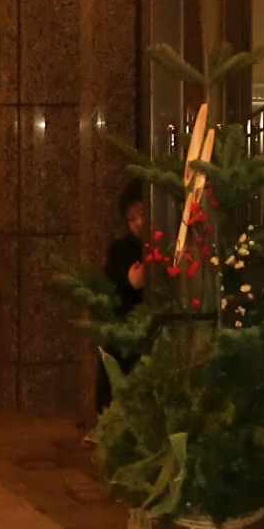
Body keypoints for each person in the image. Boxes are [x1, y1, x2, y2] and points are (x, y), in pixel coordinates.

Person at [95, 178, 146, 416]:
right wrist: (130, 282)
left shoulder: (170, 244)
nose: (138, 223)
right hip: (126, 335)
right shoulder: (120, 250)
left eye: (142, 215)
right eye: (131, 219)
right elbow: (110, 290)